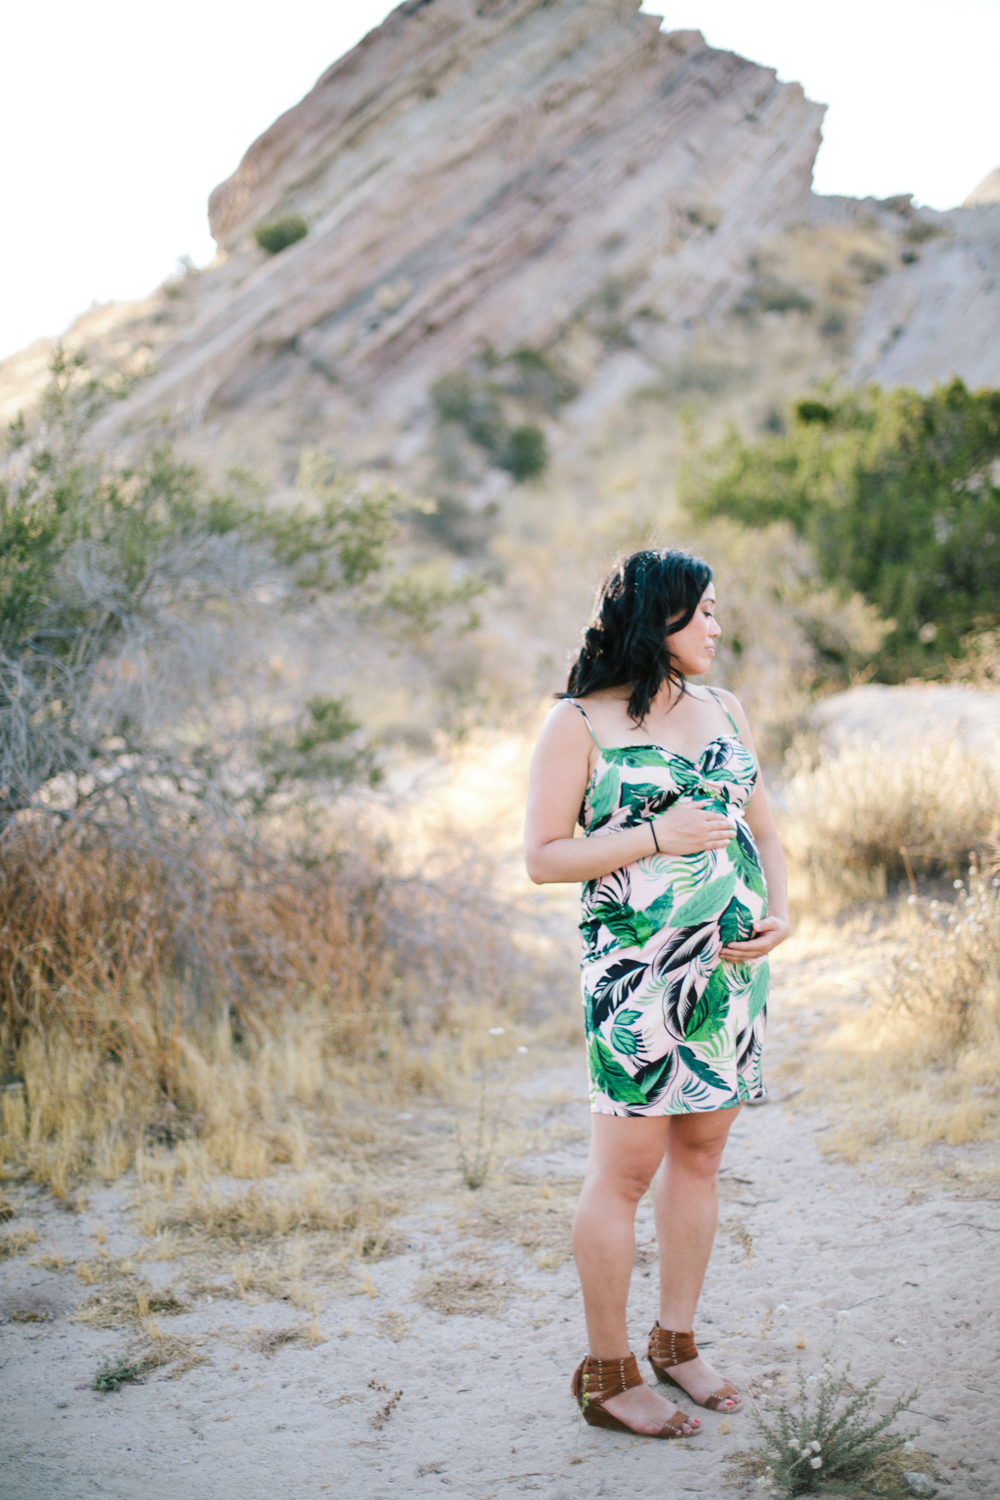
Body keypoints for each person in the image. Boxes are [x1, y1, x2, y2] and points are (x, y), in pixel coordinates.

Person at [523, 548, 789, 1440]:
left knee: (703, 1158)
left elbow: (762, 818)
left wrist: (779, 909)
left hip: (728, 975)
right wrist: (654, 834)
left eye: (718, 611)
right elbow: (544, 858)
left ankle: (677, 1343)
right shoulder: (578, 723)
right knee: (624, 1172)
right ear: (659, 618)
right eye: (704, 610)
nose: (717, 627)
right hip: (636, 980)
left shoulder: (725, 708)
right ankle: (607, 1374)